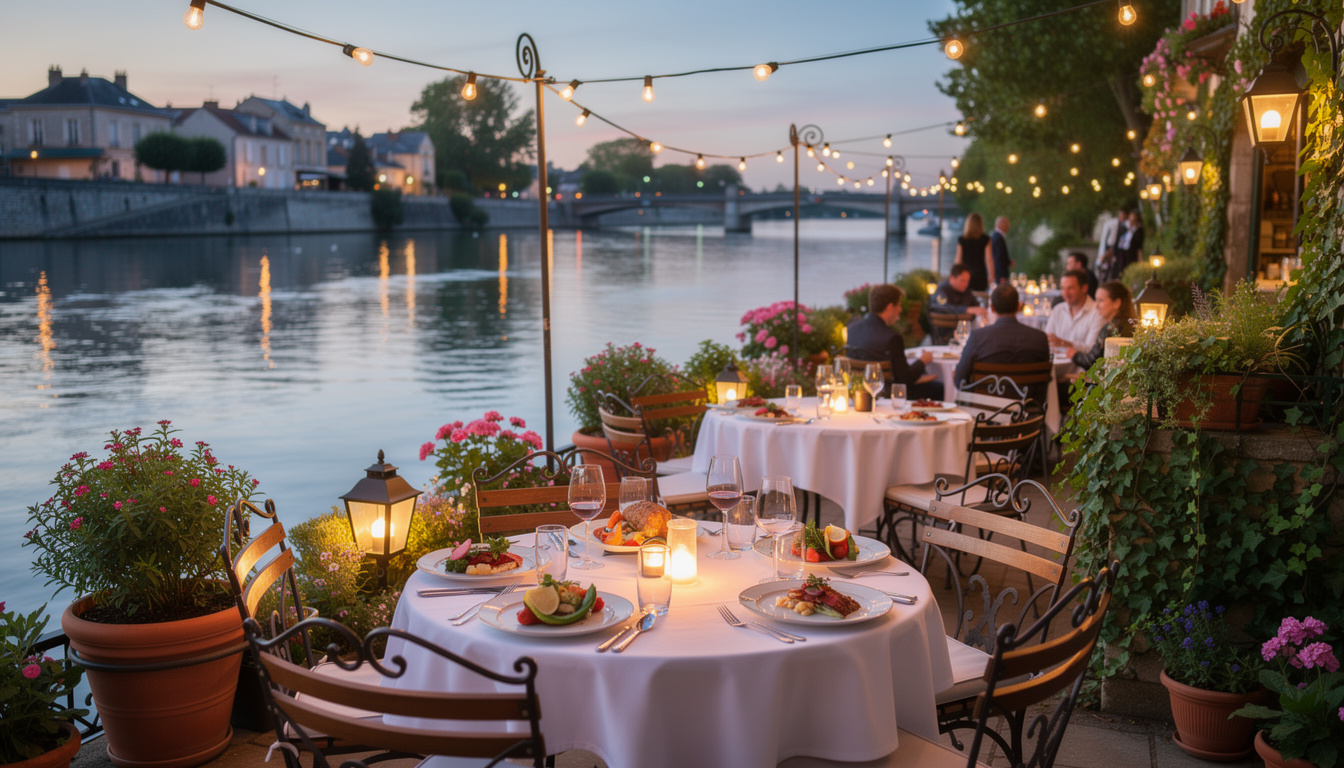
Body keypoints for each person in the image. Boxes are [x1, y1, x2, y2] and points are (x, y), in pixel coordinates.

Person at [953, 283, 1051, 402]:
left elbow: (960, 381)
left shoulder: (978, 337)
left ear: (992, 308)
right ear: (1019, 306)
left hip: (986, 413)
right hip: (1028, 414)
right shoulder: (1040, 338)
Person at [845, 283, 943, 401]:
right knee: (939, 388)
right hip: (887, 395)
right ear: (890, 307)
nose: (900, 309)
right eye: (899, 305)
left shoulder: (851, 329)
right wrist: (923, 361)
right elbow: (905, 380)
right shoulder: (892, 338)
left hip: (858, 394)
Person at [1066, 281, 1135, 371]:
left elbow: (1093, 362)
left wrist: (1074, 355)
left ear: (1117, 303)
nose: (1096, 306)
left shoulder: (1112, 328)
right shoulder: (1130, 323)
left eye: (1101, 300)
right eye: (1096, 300)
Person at [1045, 269, 1106, 353]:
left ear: (1084, 288)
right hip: (1056, 364)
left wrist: (1063, 343)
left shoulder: (1097, 312)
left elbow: (1091, 349)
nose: (1065, 293)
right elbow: (1048, 342)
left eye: (1070, 288)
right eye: (1063, 288)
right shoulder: (1058, 309)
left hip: (1082, 366)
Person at [928, 265, 988, 344]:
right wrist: (966, 309)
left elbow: (976, 305)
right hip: (943, 337)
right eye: (962, 281)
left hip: (965, 335)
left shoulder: (965, 291)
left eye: (967, 281)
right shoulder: (941, 291)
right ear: (952, 278)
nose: (965, 284)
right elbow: (943, 307)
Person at [955, 212, 992, 292]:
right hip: (980, 275)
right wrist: (992, 276)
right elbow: (989, 260)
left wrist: (955, 276)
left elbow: (958, 260)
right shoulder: (985, 239)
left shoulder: (962, 240)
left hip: (965, 276)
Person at [1112, 210, 1145, 281]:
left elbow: (1139, 245)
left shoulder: (1138, 230)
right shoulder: (1123, 227)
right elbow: (1118, 240)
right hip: (1121, 252)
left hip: (1131, 253)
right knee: (1120, 270)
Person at [1096, 208, 1126, 280]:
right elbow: (1105, 237)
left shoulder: (1124, 225)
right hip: (1109, 247)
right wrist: (1105, 251)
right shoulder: (1112, 224)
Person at [990, 216, 1013, 285]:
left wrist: (1008, 262)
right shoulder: (999, 238)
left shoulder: (995, 236)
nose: (1009, 225)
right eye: (1007, 223)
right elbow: (999, 258)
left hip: (997, 274)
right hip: (1000, 275)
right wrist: (1002, 276)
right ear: (1001, 224)